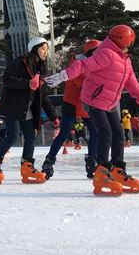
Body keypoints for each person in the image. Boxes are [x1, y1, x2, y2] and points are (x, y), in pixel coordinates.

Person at [45, 25, 139, 196]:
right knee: (106, 133)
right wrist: (62, 76)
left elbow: (134, 86)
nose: (131, 45)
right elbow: (82, 66)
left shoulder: (125, 60)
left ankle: (118, 169)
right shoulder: (106, 54)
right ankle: (102, 171)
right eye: (131, 41)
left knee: (118, 133)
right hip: (93, 99)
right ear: (124, 41)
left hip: (110, 102)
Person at [0, 36, 56, 185]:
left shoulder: (41, 70)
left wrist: (53, 116)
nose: (45, 52)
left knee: (31, 137)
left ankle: (27, 167)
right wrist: (28, 83)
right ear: (34, 49)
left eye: (47, 49)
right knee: (12, 136)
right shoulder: (20, 62)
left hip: (27, 109)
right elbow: (7, 79)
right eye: (43, 48)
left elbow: (43, 96)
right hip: (12, 106)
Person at [41, 39, 101, 180]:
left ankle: (92, 161)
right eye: (98, 51)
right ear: (91, 52)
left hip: (86, 103)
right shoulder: (77, 63)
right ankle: (49, 161)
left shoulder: (96, 63)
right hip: (73, 102)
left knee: (95, 131)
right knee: (64, 133)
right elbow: (85, 84)